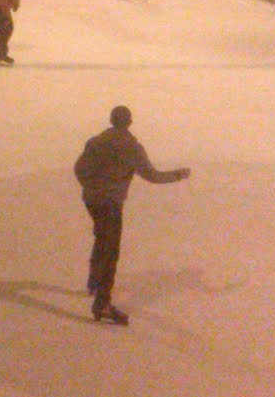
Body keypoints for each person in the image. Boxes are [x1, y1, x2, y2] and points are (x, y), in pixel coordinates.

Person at [74, 105, 191, 325]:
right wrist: (178, 175)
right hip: (110, 203)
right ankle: (102, 303)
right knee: (110, 249)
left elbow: (79, 169)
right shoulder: (131, 147)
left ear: (111, 120)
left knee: (101, 237)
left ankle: (94, 280)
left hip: (91, 200)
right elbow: (152, 175)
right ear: (129, 122)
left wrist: (92, 187)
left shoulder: (96, 141)